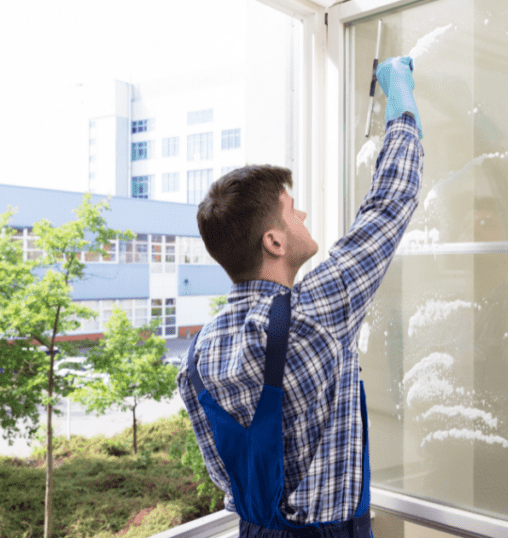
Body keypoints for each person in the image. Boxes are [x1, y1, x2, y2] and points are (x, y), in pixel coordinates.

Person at [177, 56, 423, 538]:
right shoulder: (316, 311)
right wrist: (401, 92)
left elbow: (225, 471)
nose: (304, 213)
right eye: (292, 210)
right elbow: (391, 199)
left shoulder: (198, 357)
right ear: (274, 241)